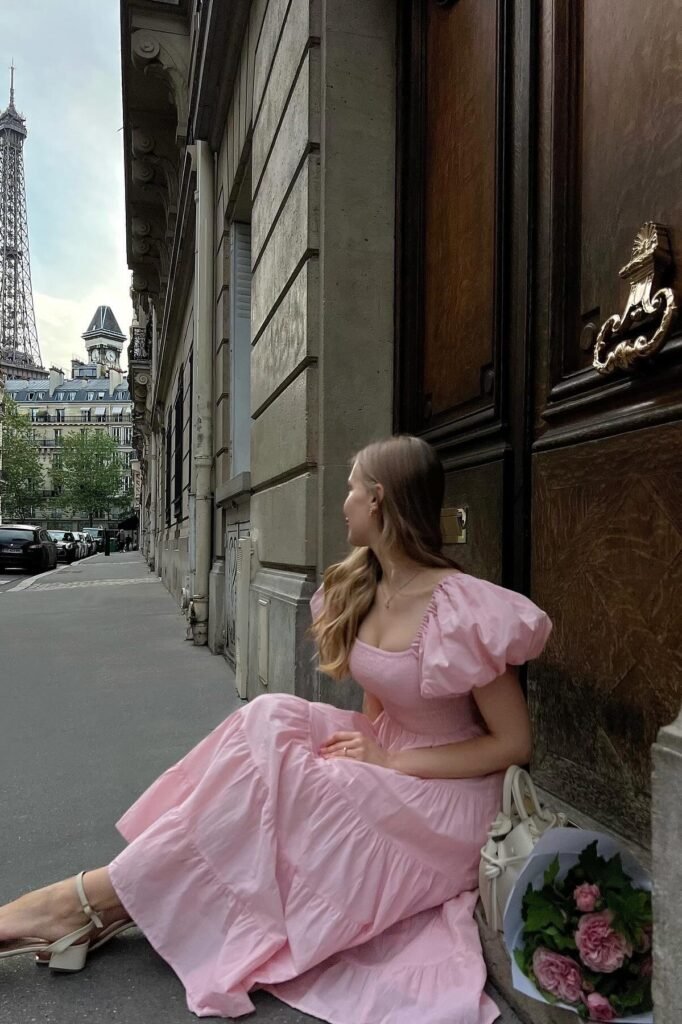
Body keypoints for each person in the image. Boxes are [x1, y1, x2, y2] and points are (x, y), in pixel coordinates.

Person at [0, 435, 551, 1022]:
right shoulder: (361, 586)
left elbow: (514, 744)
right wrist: (359, 759)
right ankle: (107, 902)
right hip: (392, 760)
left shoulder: (463, 608)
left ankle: (87, 903)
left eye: (351, 488)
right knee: (270, 722)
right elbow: (377, 712)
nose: (342, 503)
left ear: (379, 501)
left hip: (452, 793)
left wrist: (385, 766)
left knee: (313, 789)